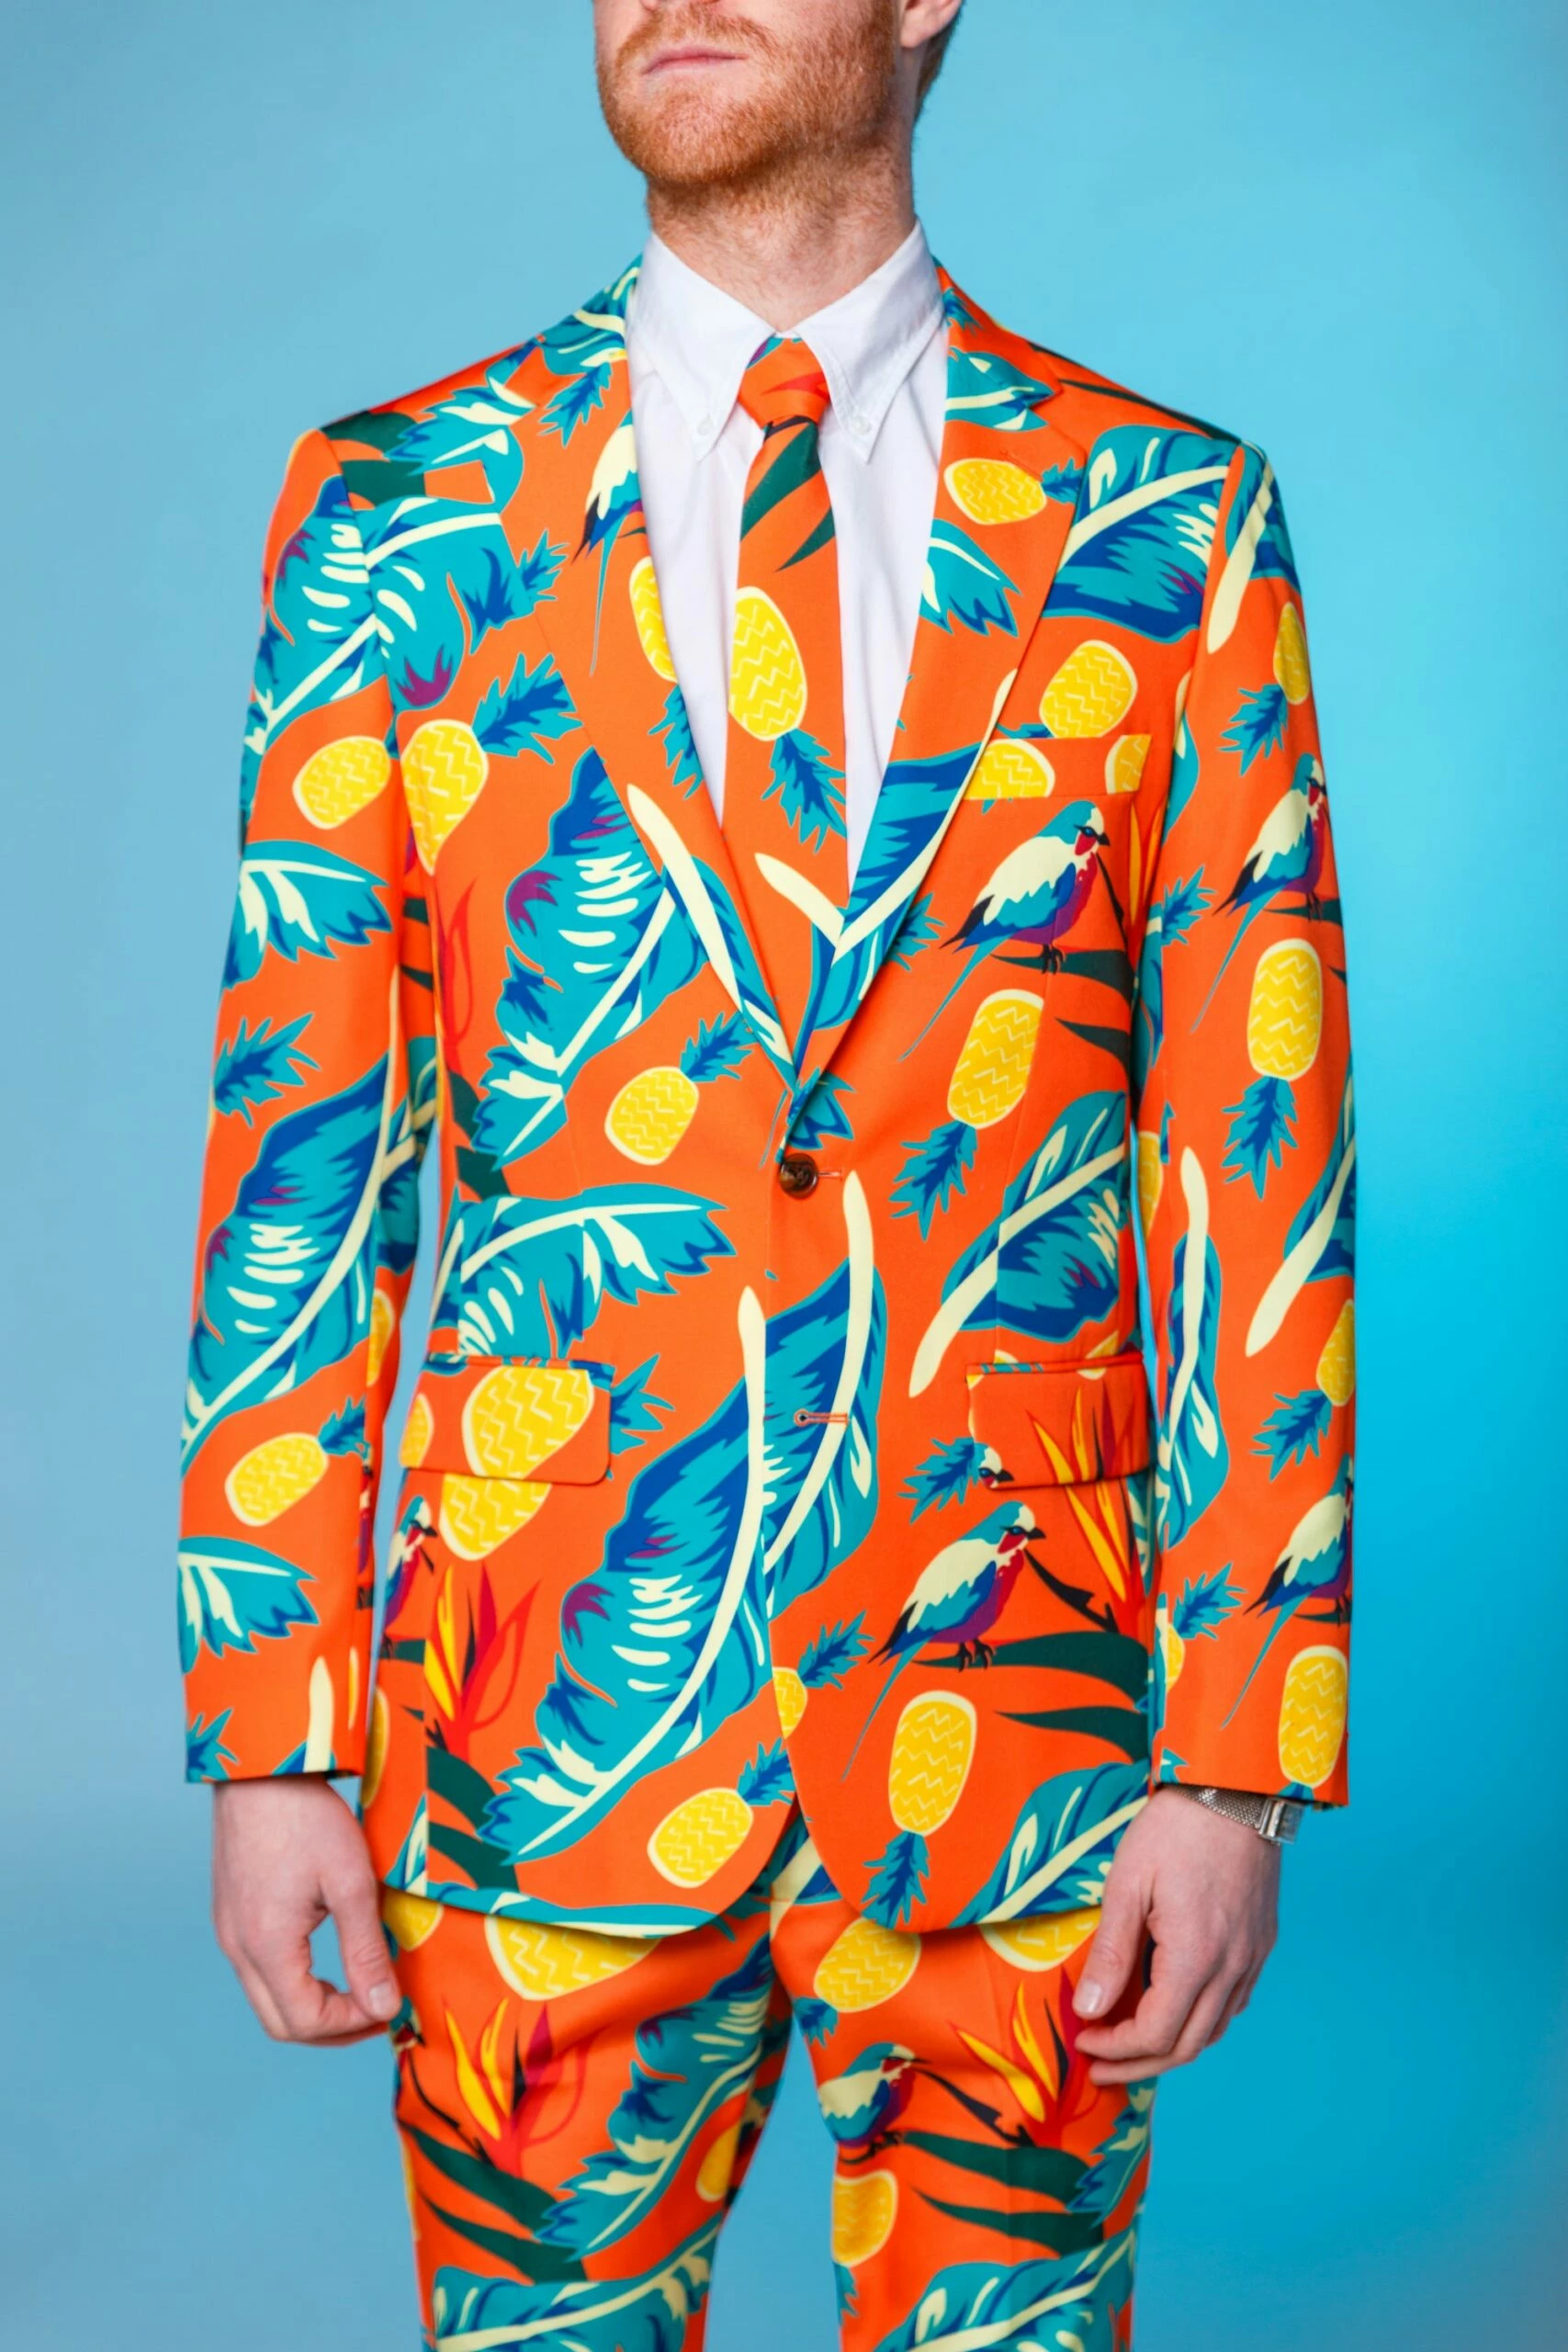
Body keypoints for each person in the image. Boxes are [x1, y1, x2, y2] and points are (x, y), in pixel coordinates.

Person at [177, 3, 1357, 2343]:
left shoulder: (1168, 520)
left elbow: (1257, 1164)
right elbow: (304, 1151)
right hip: (537, 1724)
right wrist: (272, 1726)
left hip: (1020, 1736)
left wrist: (1237, 1759)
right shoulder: (395, 509)